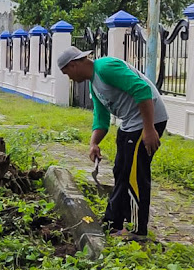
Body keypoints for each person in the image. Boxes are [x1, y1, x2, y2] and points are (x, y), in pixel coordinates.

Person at [57, 46, 168, 239]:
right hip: (130, 123)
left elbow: (142, 90)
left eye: (67, 73)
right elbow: (101, 118)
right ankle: (113, 223)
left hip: (148, 121)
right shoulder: (94, 84)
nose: (70, 78)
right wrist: (93, 143)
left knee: (135, 175)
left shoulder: (105, 67)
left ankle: (138, 230)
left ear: (73, 65)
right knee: (121, 171)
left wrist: (149, 129)